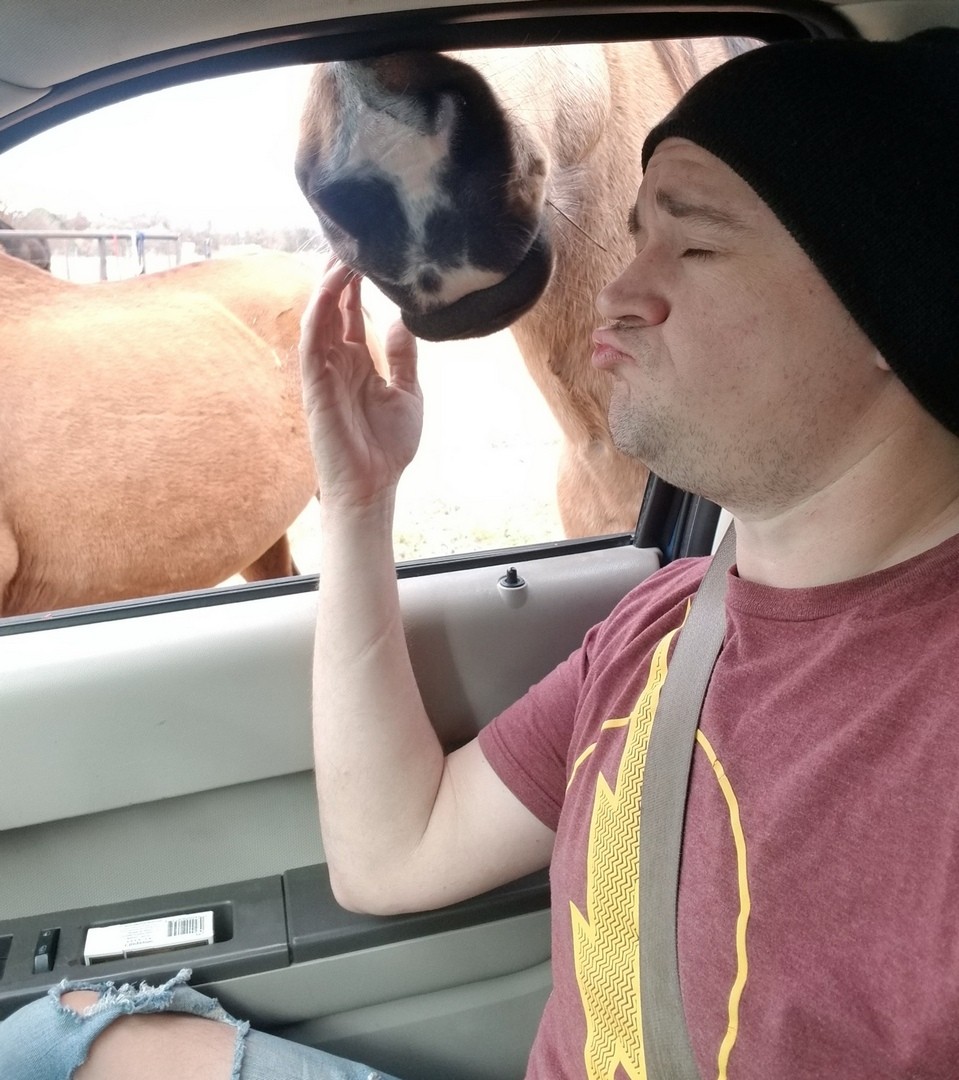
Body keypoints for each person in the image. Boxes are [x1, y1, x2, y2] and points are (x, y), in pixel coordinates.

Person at [2, 26, 959, 1080]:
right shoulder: (663, 625)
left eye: (692, 246)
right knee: (54, 1037)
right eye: (635, 236)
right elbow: (391, 854)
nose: (616, 291)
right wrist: (359, 501)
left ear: (891, 295)